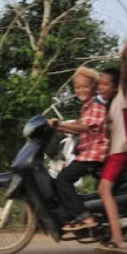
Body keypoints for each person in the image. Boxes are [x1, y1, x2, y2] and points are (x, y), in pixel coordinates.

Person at [49, 66, 109, 231]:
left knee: (62, 180)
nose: (81, 90)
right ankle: (70, 217)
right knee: (62, 179)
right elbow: (77, 125)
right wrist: (58, 127)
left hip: (93, 154)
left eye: (85, 86)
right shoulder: (87, 106)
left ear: (93, 87)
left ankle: (85, 217)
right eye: (78, 87)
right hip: (87, 153)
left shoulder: (96, 106)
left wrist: (61, 124)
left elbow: (85, 127)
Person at [94, 39, 127, 254]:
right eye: (99, 84)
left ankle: (118, 240)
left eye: (105, 84)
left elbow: (125, 75)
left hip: (122, 150)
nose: (101, 88)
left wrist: (124, 56)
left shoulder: (123, 95)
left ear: (116, 85)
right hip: (117, 150)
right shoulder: (111, 104)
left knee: (104, 189)